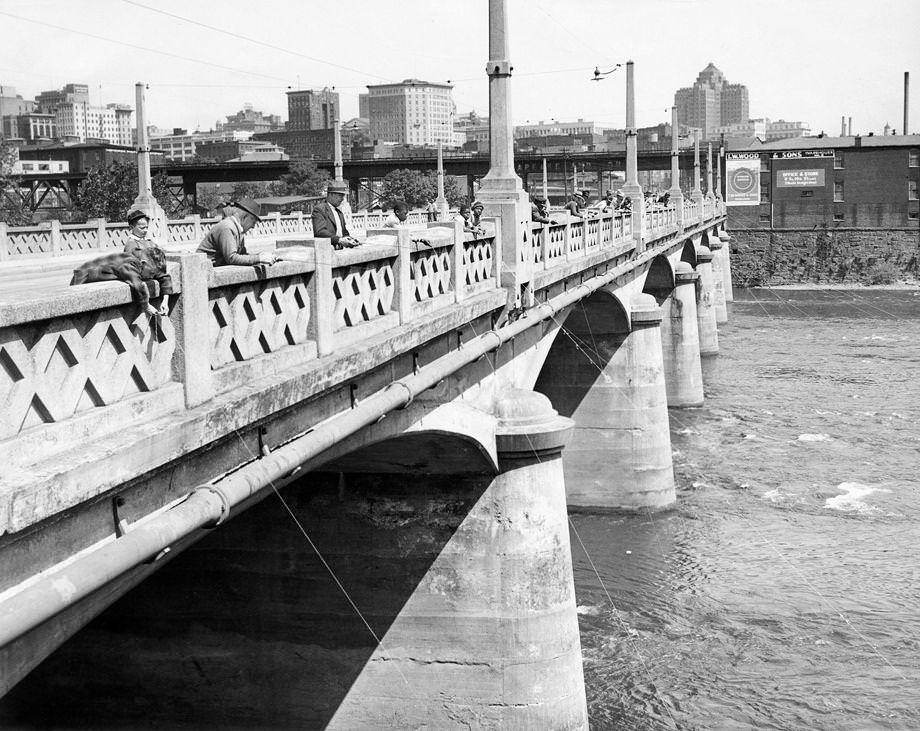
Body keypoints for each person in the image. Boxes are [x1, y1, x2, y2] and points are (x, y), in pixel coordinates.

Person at [196, 198, 277, 267]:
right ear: (245, 217)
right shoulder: (227, 228)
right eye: (253, 222)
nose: (253, 227)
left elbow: (242, 255)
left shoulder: (238, 230)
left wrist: (261, 256)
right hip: (200, 273)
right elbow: (231, 258)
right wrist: (258, 258)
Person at [122, 208, 170, 313]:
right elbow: (131, 276)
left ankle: (165, 303)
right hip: (141, 278)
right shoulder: (131, 245)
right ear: (132, 227)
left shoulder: (149, 242)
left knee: (165, 276)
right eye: (142, 228)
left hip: (153, 273)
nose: (145, 230)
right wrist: (147, 306)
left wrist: (165, 301)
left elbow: (161, 255)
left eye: (147, 227)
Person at [312, 181, 361, 248]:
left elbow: (344, 233)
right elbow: (320, 232)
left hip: (339, 250)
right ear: (331, 195)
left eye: (343, 196)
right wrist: (339, 240)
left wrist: (350, 239)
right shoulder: (319, 210)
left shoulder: (339, 212)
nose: (342, 198)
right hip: (326, 251)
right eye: (340, 195)